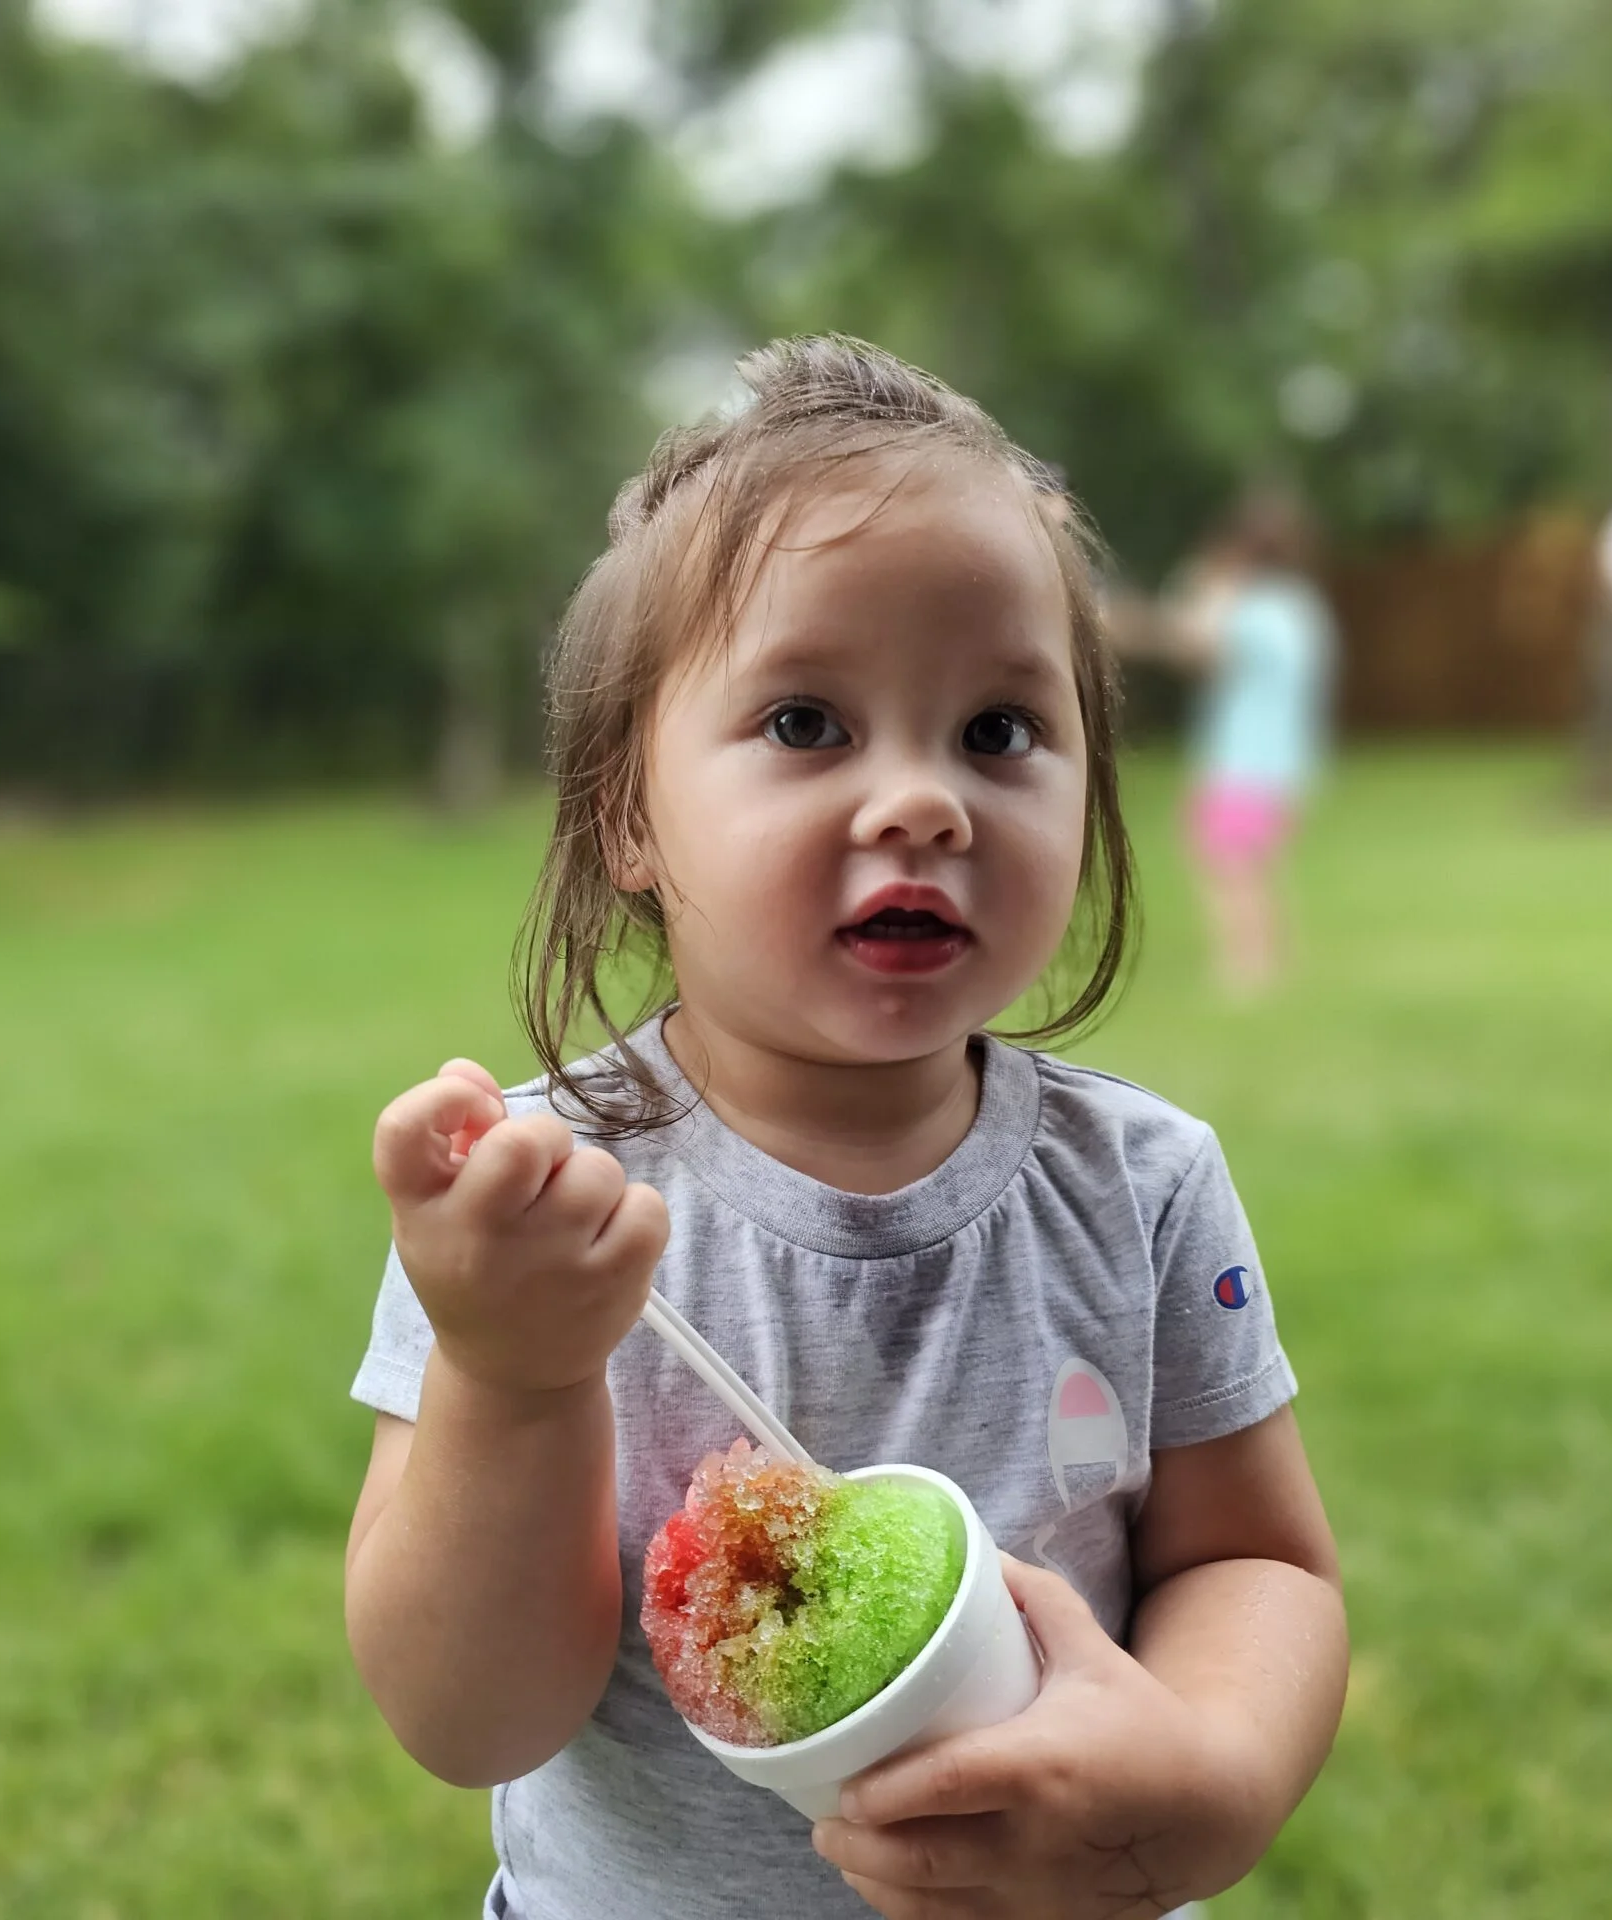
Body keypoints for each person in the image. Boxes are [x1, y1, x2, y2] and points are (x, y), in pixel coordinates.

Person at [344, 337, 1346, 1920]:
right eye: (809, 723)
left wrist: (1213, 1780)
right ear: (628, 812)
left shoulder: (1143, 1186)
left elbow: (1255, 1565)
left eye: (999, 731)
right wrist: (509, 1378)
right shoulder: (532, 1211)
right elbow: (472, 1720)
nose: (924, 803)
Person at [1120, 488, 1335, 996]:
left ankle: (1245, 967)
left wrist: (1141, 619)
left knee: (1224, 860)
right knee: (1257, 863)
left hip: (1245, 761)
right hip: (1286, 763)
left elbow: (1195, 648)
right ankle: (1276, 957)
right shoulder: (1300, 607)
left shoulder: (1250, 607)